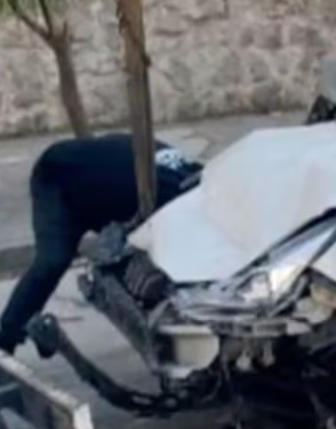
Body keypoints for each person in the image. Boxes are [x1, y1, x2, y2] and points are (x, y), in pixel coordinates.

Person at [0, 134, 202, 355]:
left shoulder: (194, 180)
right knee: (52, 261)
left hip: (100, 179)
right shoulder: (173, 202)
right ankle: (5, 340)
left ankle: (32, 326)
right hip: (58, 178)